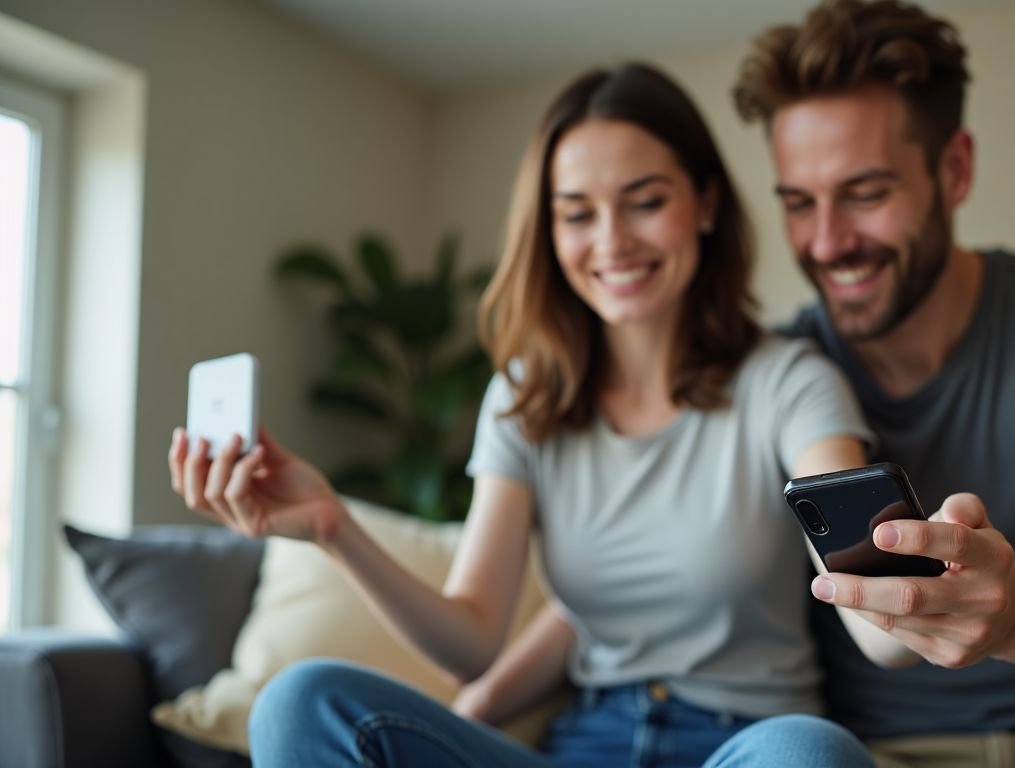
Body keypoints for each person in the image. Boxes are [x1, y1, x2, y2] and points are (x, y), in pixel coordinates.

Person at [467, 1, 1015, 765]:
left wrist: (1014, 614)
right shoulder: (778, 378)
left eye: (866, 192)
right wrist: (468, 707)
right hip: (883, 760)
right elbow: (651, 593)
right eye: (799, 202)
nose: (828, 241)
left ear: (953, 170)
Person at [167, 62, 887, 768]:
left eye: (644, 201)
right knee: (300, 702)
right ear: (549, 230)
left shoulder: (790, 384)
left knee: (811, 754)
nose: (611, 240)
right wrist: (332, 527)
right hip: (587, 744)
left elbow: (866, 587)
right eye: (577, 213)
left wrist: (910, 589)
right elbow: (473, 637)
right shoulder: (522, 401)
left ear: (704, 204)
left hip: (747, 745)